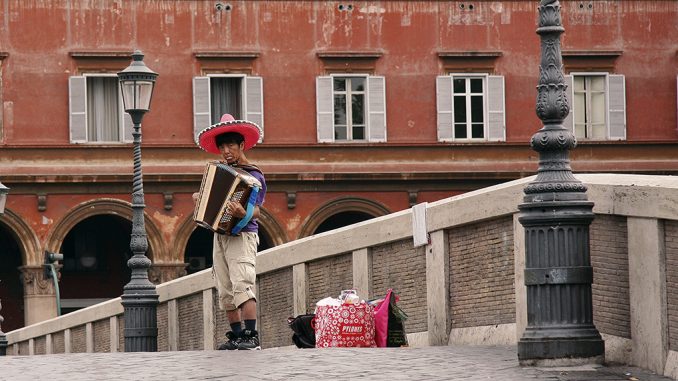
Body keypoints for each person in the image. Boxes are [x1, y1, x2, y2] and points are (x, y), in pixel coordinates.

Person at [194, 114, 266, 350]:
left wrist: (240, 211)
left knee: (242, 285)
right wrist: (200, 199)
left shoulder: (253, 175)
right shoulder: (220, 171)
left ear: (241, 145)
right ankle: (236, 336)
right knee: (225, 289)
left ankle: (251, 335)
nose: (226, 151)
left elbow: (257, 211)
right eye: (222, 147)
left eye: (231, 146)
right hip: (221, 236)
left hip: (242, 236)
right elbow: (210, 200)